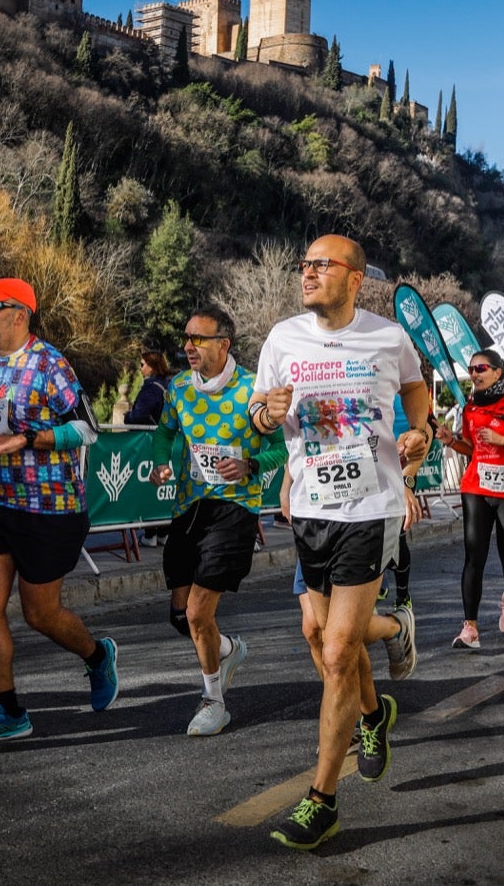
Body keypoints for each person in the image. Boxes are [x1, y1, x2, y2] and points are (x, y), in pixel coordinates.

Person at [252, 234, 426, 851]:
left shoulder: (387, 336)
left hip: (369, 509)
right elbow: (258, 413)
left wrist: (421, 432)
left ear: (355, 279)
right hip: (309, 507)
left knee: (335, 651)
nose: (308, 273)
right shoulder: (282, 338)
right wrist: (265, 414)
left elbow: (414, 390)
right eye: (304, 264)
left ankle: (322, 800)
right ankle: (376, 707)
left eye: (321, 265)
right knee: (319, 636)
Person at [0, 276, 119, 745]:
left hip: (50, 508)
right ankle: (8, 710)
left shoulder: (49, 363)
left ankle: (96, 655)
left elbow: (87, 430)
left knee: (40, 614)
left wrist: (26, 439)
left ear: (20, 315)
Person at [148, 307, 285, 735]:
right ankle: (226, 650)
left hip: (235, 510)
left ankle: (213, 701)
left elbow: (281, 449)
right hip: (190, 508)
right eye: (186, 338)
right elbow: (165, 433)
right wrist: (160, 463)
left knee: (196, 612)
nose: (188, 346)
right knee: (180, 617)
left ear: (223, 344)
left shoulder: (251, 390)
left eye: (199, 339)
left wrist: (250, 465)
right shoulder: (178, 390)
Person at [436, 348, 504, 649]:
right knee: (474, 555)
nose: (475, 373)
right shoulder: (469, 409)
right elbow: (473, 449)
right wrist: (452, 440)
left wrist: (502, 439)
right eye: (472, 369)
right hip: (477, 487)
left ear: (498, 372)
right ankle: (470, 628)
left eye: (481, 368)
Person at [125, 349, 170, 427]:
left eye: (142, 364)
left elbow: (139, 415)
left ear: (151, 367)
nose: (140, 368)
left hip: (149, 436)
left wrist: (128, 416)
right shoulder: (168, 384)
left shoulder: (151, 388)